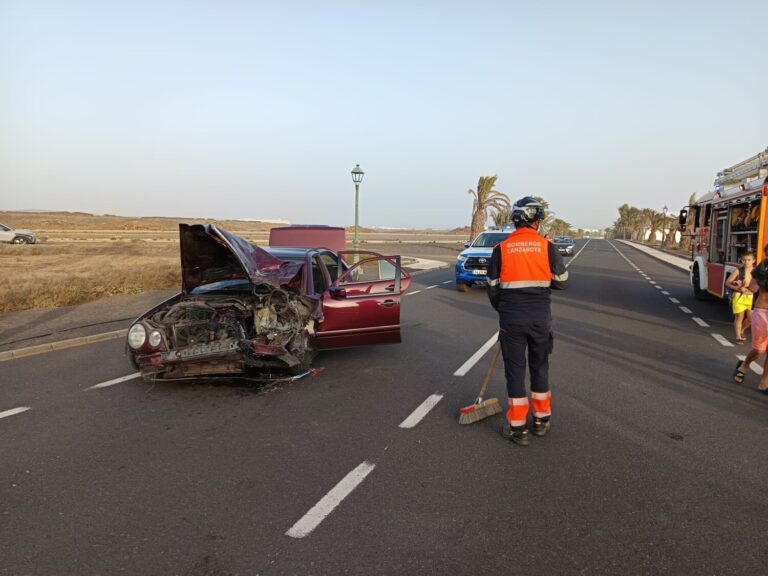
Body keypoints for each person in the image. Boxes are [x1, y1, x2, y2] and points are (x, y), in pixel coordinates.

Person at [487, 196, 569, 446]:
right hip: (540, 320)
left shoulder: (501, 249)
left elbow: (492, 288)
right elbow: (563, 281)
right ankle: (542, 420)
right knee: (539, 366)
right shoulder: (547, 246)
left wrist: (505, 313)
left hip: (511, 319)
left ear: (515, 220)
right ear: (536, 222)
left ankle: (518, 428)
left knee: (515, 371)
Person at [734, 262, 768, 393]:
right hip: (763, 312)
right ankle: (745, 364)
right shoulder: (761, 268)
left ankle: (764, 382)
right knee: (759, 350)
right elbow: (753, 288)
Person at [726, 251, 755, 343]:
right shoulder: (738, 270)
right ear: (741, 260)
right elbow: (727, 283)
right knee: (739, 316)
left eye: (749, 260)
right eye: (744, 260)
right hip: (739, 296)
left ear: (753, 261)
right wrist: (738, 289)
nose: (746, 262)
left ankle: (742, 329)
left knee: (752, 318)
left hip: (751, 297)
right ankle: (738, 336)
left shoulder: (757, 271)